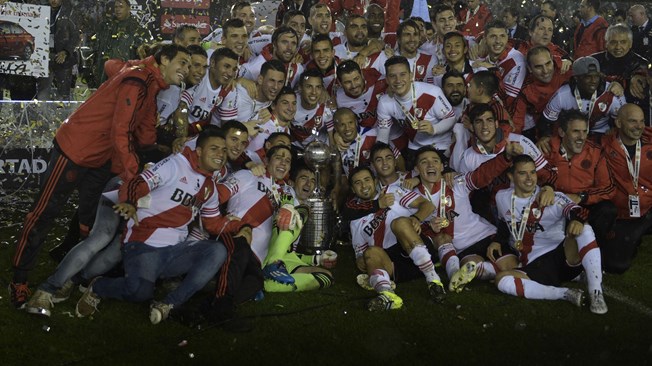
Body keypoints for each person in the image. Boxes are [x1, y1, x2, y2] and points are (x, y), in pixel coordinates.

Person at [9, 44, 191, 309]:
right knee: (44, 214)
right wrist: (133, 177)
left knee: (89, 223)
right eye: (183, 63)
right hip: (75, 151)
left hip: (101, 158)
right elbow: (122, 131)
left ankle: (68, 278)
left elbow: (111, 68)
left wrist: (159, 153)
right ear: (164, 59)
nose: (186, 70)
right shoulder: (139, 80)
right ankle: (20, 278)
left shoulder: (148, 81)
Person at [74, 129, 247, 324]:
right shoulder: (175, 164)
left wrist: (239, 226)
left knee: (217, 250)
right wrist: (130, 202)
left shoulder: (210, 189)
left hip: (175, 251)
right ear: (198, 151)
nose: (220, 155)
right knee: (139, 293)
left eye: (224, 151)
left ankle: (169, 304)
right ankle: (99, 286)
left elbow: (213, 224)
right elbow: (137, 183)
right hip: (144, 243)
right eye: (214, 149)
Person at [491, 154, 608, 315]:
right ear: (511, 176)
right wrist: (497, 240)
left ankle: (596, 292)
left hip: (562, 259)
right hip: (534, 267)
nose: (529, 178)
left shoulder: (552, 197)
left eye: (532, 172)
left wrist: (577, 221)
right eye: (522, 173)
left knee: (584, 229)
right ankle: (565, 294)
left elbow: (578, 211)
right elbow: (505, 222)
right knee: (502, 281)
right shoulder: (502, 197)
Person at [415, 142, 519, 292]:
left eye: (435, 161)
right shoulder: (413, 198)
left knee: (509, 265)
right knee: (471, 264)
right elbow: (414, 227)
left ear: (442, 167)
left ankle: (485, 270)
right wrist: (428, 227)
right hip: (462, 248)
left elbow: (483, 174)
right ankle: (462, 273)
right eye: (424, 162)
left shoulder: (456, 182)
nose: (430, 165)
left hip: (486, 235)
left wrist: (505, 157)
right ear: (417, 169)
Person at [346, 164, 445, 311]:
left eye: (367, 180)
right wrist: (361, 259)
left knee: (399, 223)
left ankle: (433, 280)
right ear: (353, 190)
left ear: (374, 181)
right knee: (370, 252)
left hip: (413, 243)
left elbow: (427, 205)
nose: (364, 185)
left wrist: (416, 218)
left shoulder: (392, 191)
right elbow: (360, 253)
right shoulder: (355, 220)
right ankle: (388, 296)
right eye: (358, 183)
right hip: (393, 265)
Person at [541, 109, 616, 249]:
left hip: (584, 202)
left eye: (584, 131)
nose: (581, 137)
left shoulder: (595, 152)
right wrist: (554, 193)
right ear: (562, 132)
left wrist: (582, 196)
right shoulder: (547, 150)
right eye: (576, 131)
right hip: (556, 204)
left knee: (608, 209)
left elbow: (609, 188)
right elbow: (536, 178)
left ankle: (595, 248)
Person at [376, 56, 455, 169]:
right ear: (387, 80)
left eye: (403, 74)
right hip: (414, 148)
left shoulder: (432, 92)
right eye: (393, 76)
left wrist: (434, 129)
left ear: (411, 75)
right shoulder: (384, 102)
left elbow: (451, 118)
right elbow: (382, 138)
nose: (398, 80)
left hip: (439, 145)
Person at [601, 104, 652, 274]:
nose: (639, 126)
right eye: (632, 121)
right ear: (619, 123)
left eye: (641, 121)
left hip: (649, 209)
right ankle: (630, 238)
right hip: (624, 215)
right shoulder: (603, 146)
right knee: (616, 266)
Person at [539, 56, 626, 139]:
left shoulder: (612, 93)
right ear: (576, 78)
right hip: (572, 135)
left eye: (596, 76)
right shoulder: (562, 95)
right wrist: (546, 137)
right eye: (588, 77)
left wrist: (615, 131)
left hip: (602, 134)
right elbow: (546, 121)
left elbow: (624, 121)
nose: (593, 81)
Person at [590, 24, 650, 121]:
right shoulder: (594, 61)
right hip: (598, 118)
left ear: (630, 44)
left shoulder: (642, 65)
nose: (618, 47)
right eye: (613, 42)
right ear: (606, 43)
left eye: (623, 42)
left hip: (632, 119)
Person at [510, 46, 572, 138]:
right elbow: (517, 121)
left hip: (574, 127)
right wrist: (514, 141)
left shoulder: (566, 70)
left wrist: (571, 61)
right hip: (545, 132)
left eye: (548, 64)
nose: (545, 71)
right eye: (538, 67)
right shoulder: (525, 90)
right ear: (530, 69)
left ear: (552, 61)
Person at [90, 0, 152, 87]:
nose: (118, 10)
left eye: (121, 7)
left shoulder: (138, 30)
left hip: (126, 77)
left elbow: (145, 56)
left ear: (129, 8)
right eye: (116, 7)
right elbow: (96, 49)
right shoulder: (105, 27)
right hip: (103, 76)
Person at [472, 20, 527, 108]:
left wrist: (492, 69)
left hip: (511, 116)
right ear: (485, 38)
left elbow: (507, 101)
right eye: (493, 36)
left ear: (507, 38)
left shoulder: (516, 61)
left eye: (502, 36)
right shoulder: (484, 56)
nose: (498, 41)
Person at [37, 0, 79, 100]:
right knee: (43, 93)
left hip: (63, 58)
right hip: (45, 57)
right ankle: (42, 114)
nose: (54, 0)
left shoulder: (70, 11)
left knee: (63, 94)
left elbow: (76, 36)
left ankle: (64, 114)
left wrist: (66, 51)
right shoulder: (40, 10)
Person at [291, 69, 334, 149]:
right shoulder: (291, 102)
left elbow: (331, 139)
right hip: (293, 146)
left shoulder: (326, 109)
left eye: (318, 87)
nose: (314, 92)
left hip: (316, 148)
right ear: (300, 88)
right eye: (309, 87)